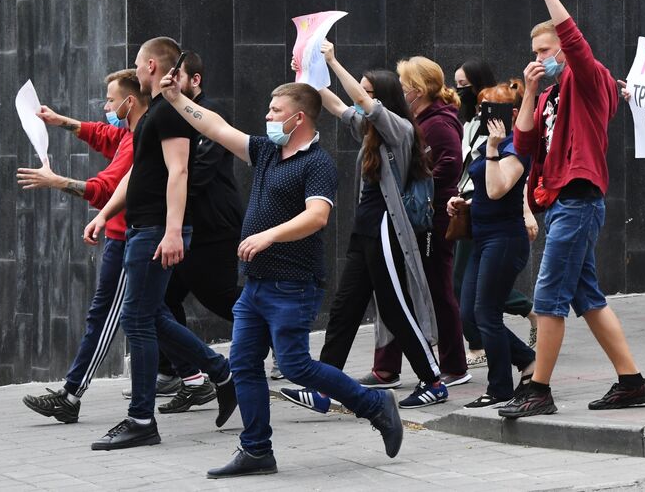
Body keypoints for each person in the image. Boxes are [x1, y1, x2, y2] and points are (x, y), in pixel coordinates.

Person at [157, 77, 404, 477]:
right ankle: (256, 450)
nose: (267, 116)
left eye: (275, 111)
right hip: (255, 284)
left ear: (298, 117)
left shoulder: (318, 163)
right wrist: (176, 98)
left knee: (295, 365)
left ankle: (375, 406)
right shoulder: (268, 150)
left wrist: (268, 236)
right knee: (244, 363)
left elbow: (317, 216)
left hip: (293, 283)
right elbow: (216, 128)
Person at [501, 0, 645, 417]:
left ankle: (538, 389)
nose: (537, 60)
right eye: (533, 54)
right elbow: (523, 140)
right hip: (564, 200)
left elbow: (573, 36)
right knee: (587, 298)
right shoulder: (548, 92)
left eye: (544, 53)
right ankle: (632, 381)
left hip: (578, 198)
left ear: (564, 52)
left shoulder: (589, 80)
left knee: (549, 297)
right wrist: (528, 91)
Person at [83, 37, 236, 450]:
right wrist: (104, 214)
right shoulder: (153, 114)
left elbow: (179, 171)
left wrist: (172, 230)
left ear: (150, 64)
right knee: (150, 316)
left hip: (155, 230)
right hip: (143, 227)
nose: (134, 69)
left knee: (137, 319)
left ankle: (141, 419)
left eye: (137, 63)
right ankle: (220, 372)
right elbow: (137, 174)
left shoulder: (169, 114)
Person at [283, 43, 449, 412]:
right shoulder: (371, 132)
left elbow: (363, 103)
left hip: (388, 231)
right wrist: (306, 74)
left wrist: (332, 61)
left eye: (366, 91)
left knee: (394, 307)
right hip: (366, 230)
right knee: (344, 309)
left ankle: (433, 380)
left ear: (382, 98)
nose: (359, 98)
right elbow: (338, 106)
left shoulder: (400, 129)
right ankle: (324, 386)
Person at [19, 70, 145, 424]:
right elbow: (105, 134)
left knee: (107, 317)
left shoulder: (140, 139)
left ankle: (71, 395)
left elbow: (108, 186)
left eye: (109, 99)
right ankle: (207, 374)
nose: (106, 106)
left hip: (130, 237)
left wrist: (57, 181)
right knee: (154, 318)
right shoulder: (131, 131)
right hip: (123, 233)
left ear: (129, 102)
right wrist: (60, 121)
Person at [363, 57, 469, 389]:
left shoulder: (438, 123)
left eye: (403, 82)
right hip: (415, 216)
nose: (399, 87)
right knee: (396, 287)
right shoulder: (419, 119)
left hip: (432, 218)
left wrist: (412, 188)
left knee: (437, 288)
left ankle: (453, 364)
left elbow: (450, 165)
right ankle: (387, 366)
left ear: (417, 90)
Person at [155, 53, 244, 412]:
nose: (171, 86)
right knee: (162, 298)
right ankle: (180, 371)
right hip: (187, 225)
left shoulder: (210, 115)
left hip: (212, 225)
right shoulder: (171, 115)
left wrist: (160, 197)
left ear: (195, 81)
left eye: (179, 80)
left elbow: (197, 174)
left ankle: (280, 336)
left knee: (221, 297)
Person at [455, 82, 539, 407]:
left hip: (505, 239)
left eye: (492, 109)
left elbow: (497, 189)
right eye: (481, 108)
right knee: (471, 313)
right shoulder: (490, 144)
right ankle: (527, 360)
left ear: (513, 114)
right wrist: (462, 203)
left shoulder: (517, 146)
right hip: (483, 236)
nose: (483, 115)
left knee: (486, 312)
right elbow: (482, 191)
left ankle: (500, 387)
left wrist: (492, 148)